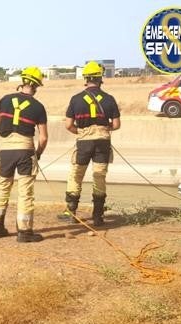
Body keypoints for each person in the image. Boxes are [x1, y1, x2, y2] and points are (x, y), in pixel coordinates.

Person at [59, 61, 121, 227]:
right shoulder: (109, 99)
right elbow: (116, 125)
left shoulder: (76, 99)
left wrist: (80, 132)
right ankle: (98, 216)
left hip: (84, 142)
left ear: (85, 78)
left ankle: (71, 213)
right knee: (99, 176)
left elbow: (68, 125)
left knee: (76, 175)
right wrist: (102, 129)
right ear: (100, 78)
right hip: (102, 142)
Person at [0, 66, 48, 242]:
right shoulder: (38, 107)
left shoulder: (5, 100)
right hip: (25, 150)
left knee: (3, 188)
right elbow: (44, 138)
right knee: (25, 192)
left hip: (6, 150)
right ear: (37, 85)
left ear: (22, 81)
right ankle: (24, 232)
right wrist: (37, 154)